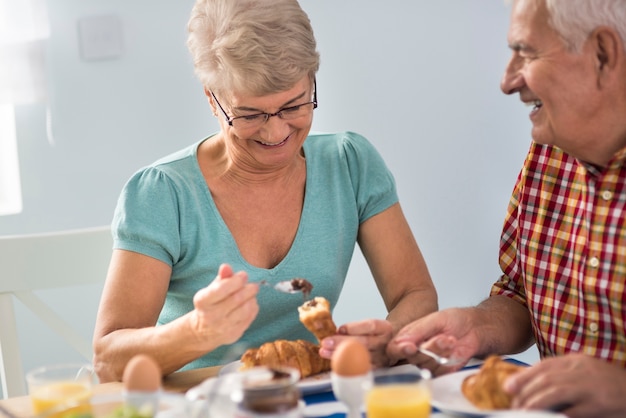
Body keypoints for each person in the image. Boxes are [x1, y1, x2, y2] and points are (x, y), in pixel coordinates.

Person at [92, 0, 437, 383]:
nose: (276, 134)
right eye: (250, 115)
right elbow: (108, 361)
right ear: (212, 98)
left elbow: (416, 295)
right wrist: (197, 331)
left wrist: (388, 339)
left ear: (313, 81)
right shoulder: (162, 194)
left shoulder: (350, 163)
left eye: (294, 105)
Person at [387, 0, 626, 417]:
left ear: (602, 54)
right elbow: (523, 296)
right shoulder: (549, 154)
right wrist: (476, 328)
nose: (507, 80)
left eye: (527, 52)